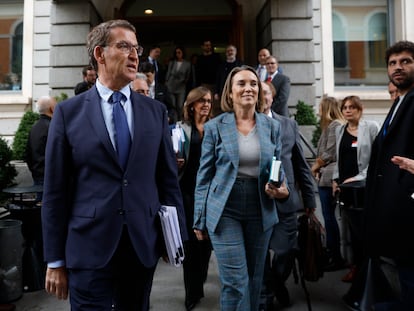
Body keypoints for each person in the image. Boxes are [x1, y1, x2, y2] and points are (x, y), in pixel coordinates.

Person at [41, 19, 187, 310]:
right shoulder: (68, 113)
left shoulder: (155, 112)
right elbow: (55, 191)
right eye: (124, 46)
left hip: (141, 246)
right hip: (88, 248)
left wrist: (176, 241)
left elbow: (168, 182)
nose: (135, 55)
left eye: (137, 48)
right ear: (99, 54)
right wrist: (55, 260)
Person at [194, 66, 289, 311]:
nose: (248, 88)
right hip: (225, 208)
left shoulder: (272, 127)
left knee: (256, 280)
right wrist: (199, 219)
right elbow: (204, 176)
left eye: (253, 84)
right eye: (241, 84)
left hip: (261, 206)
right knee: (236, 282)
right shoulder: (215, 127)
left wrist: (282, 190)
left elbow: (278, 168)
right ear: (230, 92)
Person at [364, 40, 414, 311]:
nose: (398, 67)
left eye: (406, 61)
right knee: (404, 271)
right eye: (393, 63)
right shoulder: (399, 101)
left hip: (408, 203)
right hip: (394, 208)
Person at [260, 81, 316, 310]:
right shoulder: (245, 125)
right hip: (258, 201)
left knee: (287, 249)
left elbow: (301, 165)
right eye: (258, 92)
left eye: (265, 92)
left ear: (273, 97)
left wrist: (310, 199)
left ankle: (275, 284)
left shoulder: (289, 124)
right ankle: (265, 296)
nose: (261, 96)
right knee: (260, 254)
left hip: (286, 199)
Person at [173, 86, 213, 311]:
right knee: (190, 244)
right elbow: (172, 155)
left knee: (205, 243)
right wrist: (174, 160)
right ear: (191, 104)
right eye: (201, 101)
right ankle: (192, 292)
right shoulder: (181, 128)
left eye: (208, 101)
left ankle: (201, 279)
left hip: (209, 193)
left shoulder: (215, 128)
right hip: (187, 192)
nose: (206, 104)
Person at [331, 95, 379, 283]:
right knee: (348, 231)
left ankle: (369, 269)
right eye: (345, 107)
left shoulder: (371, 128)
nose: (348, 110)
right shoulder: (339, 130)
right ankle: (354, 266)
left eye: (352, 107)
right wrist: (336, 179)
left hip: (363, 188)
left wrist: (358, 178)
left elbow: (376, 160)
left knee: (364, 230)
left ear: (361, 109)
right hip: (345, 189)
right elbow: (338, 157)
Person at [311, 96, 346, 271]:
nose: (318, 110)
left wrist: (314, 167)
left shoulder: (335, 126)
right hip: (325, 176)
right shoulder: (329, 127)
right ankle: (333, 254)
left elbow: (330, 152)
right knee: (328, 217)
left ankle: (336, 256)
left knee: (330, 219)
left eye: (320, 107)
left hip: (330, 178)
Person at [25, 95, 57, 201]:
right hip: (53, 178)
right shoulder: (54, 127)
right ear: (52, 109)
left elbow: (27, 154)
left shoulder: (34, 127)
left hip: (37, 176)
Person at [165, 46, 191, 119]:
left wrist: (185, 81)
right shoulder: (172, 63)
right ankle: (174, 120)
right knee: (172, 105)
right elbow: (168, 73)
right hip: (171, 85)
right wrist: (166, 82)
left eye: (179, 52)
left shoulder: (187, 64)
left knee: (180, 105)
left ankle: (180, 119)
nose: (177, 54)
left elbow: (188, 75)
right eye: (176, 53)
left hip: (181, 86)